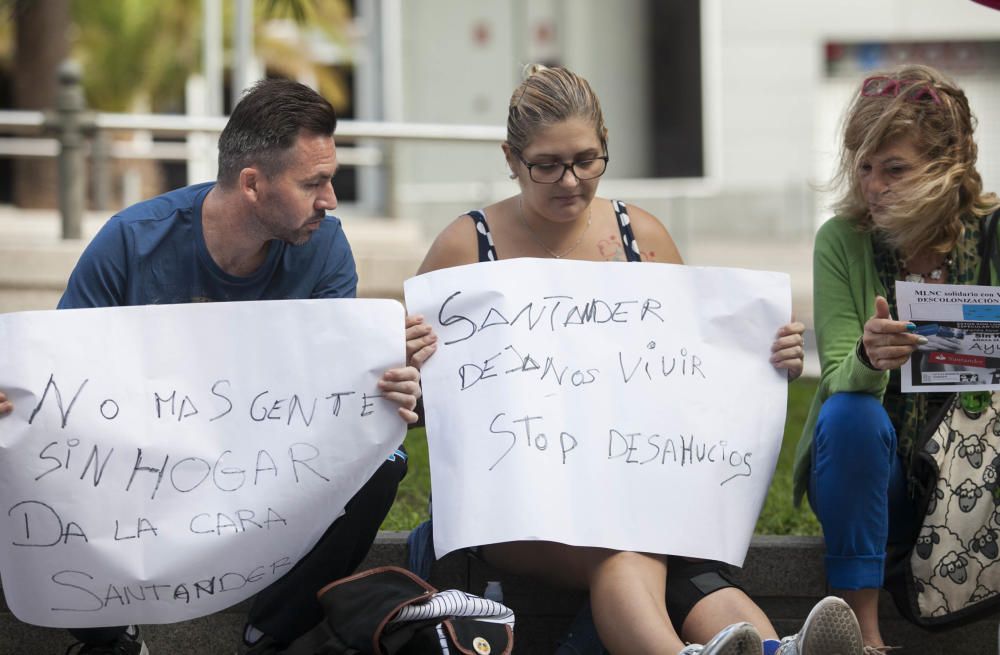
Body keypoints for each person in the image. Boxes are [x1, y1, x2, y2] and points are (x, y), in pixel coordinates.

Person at [416, 64, 862, 655]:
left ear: (605, 145)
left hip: (636, 480)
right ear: (510, 156)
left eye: (587, 159)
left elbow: (691, 369)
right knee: (629, 546)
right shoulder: (464, 247)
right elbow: (418, 400)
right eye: (546, 164)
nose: (570, 180)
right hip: (518, 502)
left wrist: (763, 359)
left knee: (667, 554)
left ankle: (776, 651)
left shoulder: (642, 236)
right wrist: (410, 371)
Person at [0, 78, 437, 654]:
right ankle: (109, 633)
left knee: (386, 462)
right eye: (315, 183)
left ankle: (274, 630)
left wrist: (394, 390)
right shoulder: (132, 241)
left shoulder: (324, 247)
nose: (330, 201)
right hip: (139, 456)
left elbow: (335, 402)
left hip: (267, 462)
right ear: (253, 184)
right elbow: (60, 385)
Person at [791, 64, 1000, 652]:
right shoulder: (841, 240)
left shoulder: (992, 232)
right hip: (876, 485)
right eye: (863, 166)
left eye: (895, 169)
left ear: (948, 165)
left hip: (978, 480)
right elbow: (835, 376)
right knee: (849, 413)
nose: (872, 186)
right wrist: (868, 355)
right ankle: (861, 633)